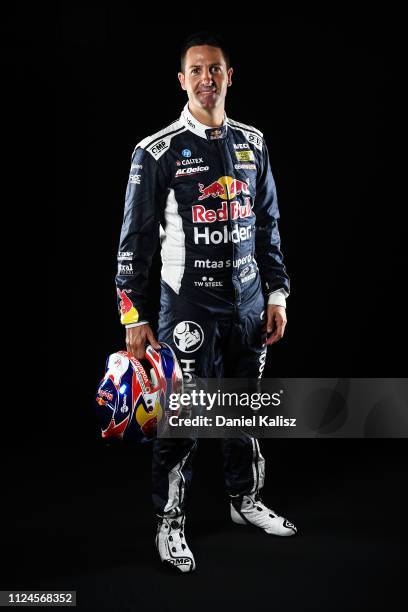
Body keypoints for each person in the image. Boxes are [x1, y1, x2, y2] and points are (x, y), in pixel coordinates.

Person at [116, 31, 297, 573]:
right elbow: (134, 242)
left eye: (214, 69)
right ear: (182, 80)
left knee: (244, 413)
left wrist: (277, 294)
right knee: (183, 422)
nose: (206, 79)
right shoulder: (157, 150)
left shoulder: (253, 143)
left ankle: (245, 502)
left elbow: (268, 225)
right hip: (187, 312)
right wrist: (134, 315)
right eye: (196, 70)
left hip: (246, 307)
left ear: (229, 76)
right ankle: (170, 523)